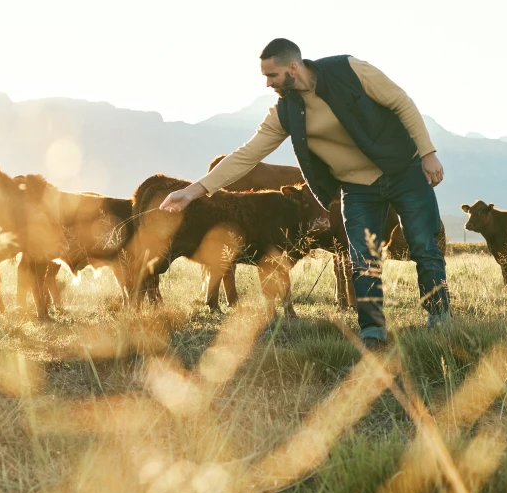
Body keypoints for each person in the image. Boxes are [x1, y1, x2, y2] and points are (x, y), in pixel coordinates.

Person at [159, 38, 450, 347]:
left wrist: (428, 152)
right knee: (363, 258)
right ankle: (372, 333)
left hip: (403, 171)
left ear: (293, 68)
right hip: (356, 188)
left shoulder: (350, 70)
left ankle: (439, 319)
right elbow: (247, 155)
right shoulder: (285, 113)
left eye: (272, 76)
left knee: (423, 245)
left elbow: (400, 102)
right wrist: (194, 191)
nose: (268, 84)